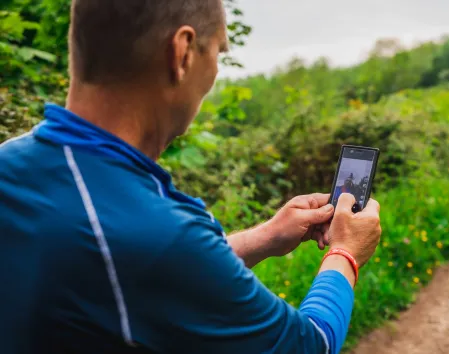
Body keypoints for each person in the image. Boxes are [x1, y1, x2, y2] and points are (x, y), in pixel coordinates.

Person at [0, 1, 382, 353]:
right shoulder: (155, 232)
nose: (215, 69)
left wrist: (261, 239)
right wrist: (345, 252)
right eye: (218, 51)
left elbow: (130, 270)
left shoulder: (11, 165)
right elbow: (309, 344)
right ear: (182, 53)